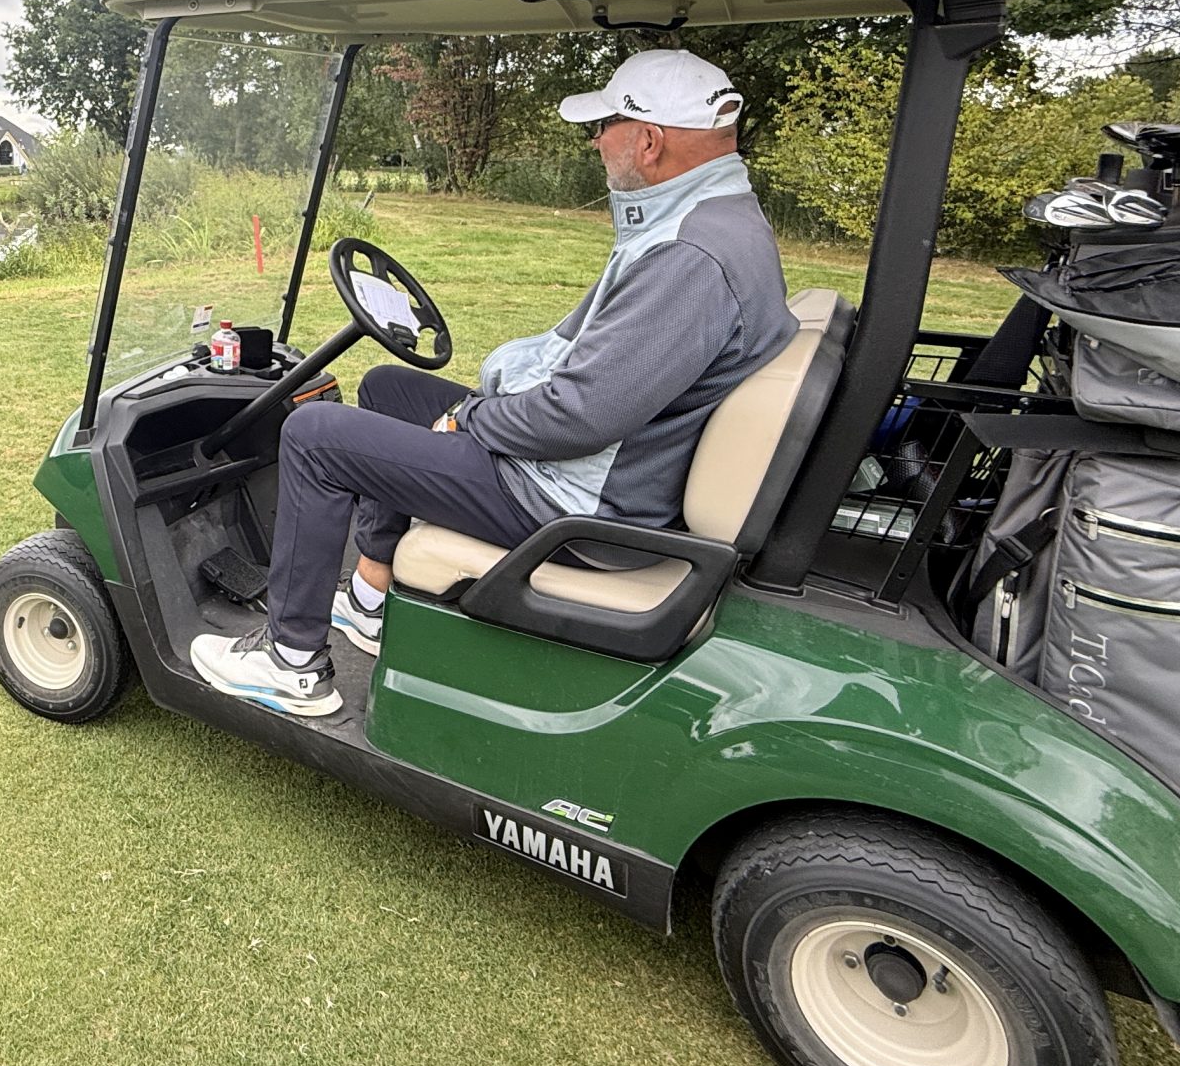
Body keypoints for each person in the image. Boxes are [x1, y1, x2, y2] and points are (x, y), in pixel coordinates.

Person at [189, 48, 797, 716]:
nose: (596, 142)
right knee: (389, 389)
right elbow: (585, 363)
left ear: (648, 141)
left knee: (314, 435)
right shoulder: (708, 216)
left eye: (604, 127)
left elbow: (580, 416)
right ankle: (370, 598)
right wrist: (497, 393)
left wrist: (473, 418)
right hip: (605, 472)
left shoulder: (689, 255)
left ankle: (292, 663)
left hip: (579, 506)